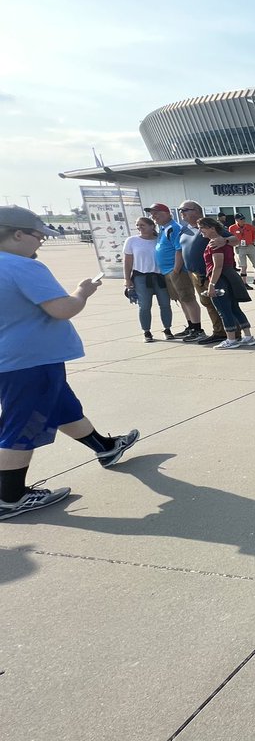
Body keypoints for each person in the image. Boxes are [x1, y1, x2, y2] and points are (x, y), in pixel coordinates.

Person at [0, 206, 139, 521]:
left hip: (10, 360)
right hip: (30, 360)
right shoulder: (23, 267)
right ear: (17, 234)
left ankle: (105, 446)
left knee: (61, 407)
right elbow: (62, 309)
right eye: (38, 236)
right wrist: (83, 291)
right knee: (20, 427)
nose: (40, 243)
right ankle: (9, 497)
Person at [145, 202, 206, 341]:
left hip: (177, 271)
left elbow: (179, 249)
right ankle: (191, 326)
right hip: (167, 270)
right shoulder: (163, 228)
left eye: (157, 213)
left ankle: (197, 329)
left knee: (188, 298)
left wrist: (176, 269)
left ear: (167, 213)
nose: (153, 216)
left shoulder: (174, 228)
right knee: (181, 299)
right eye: (152, 213)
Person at [177, 200, 231, 346]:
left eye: (185, 210)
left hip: (210, 274)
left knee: (220, 304)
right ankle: (219, 332)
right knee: (207, 303)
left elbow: (235, 239)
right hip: (194, 273)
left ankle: (231, 333)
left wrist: (224, 240)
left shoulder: (209, 227)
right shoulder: (185, 229)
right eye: (181, 210)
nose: (182, 212)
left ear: (196, 211)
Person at [197, 217, 255, 349]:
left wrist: (212, 285)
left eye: (202, 228)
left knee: (224, 310)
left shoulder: (215, 243)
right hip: (230, 277)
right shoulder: (225, 242)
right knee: (235, 308)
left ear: (212, 228)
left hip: (220, 279)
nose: (200, 231)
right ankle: (247, 336)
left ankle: (231, 339)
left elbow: (218, 266)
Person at [122, 216, 175, 342]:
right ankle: (147, 331)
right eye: (138, 225)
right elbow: (127, 261)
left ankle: (167, 329)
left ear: (152, 226)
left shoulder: (159, 240)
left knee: (165, 304)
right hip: (141, 277)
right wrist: (127, 279)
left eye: (142, 225)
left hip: (160, 276)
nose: (139, 227)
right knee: (144, 305)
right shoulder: (132, 241)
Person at [230, 214, 255, 287]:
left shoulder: (250, 227)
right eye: (241, 219)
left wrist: (250, 242)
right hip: (240, 247)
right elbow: (230, 238)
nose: (243, 220)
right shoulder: (232, 228)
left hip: (250, 246)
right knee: (243, 266)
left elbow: (254, 237)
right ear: (237, 220)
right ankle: (244, 283)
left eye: (243, 219)